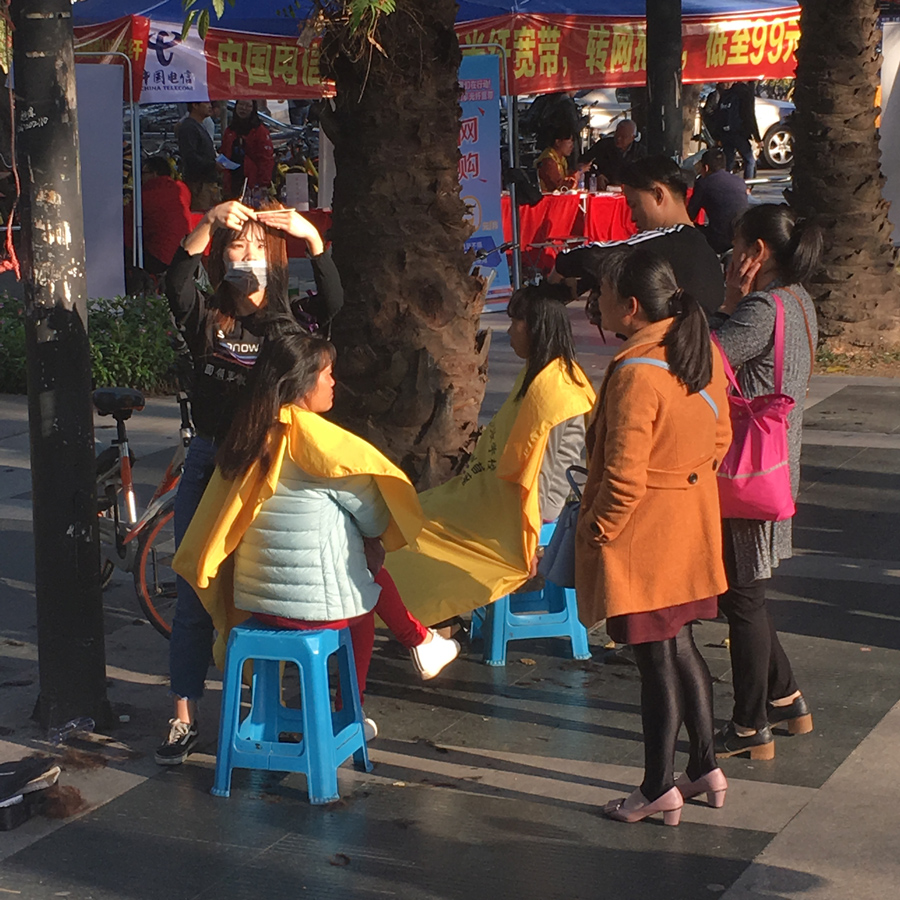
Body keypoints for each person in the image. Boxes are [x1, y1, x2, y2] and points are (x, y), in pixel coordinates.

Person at [172, 331, 461, 740]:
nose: (333, 383)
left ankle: (419, 641)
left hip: (256, 602)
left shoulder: (246, 436)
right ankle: (351, 712)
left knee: (359, 573)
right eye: (327, 374)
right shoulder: (325, 446)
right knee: (362, 595)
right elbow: (376, 519)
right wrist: (369, 540)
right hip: (312, 608)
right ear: (303, 382)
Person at [155, 199, 344, 766]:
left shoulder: (292, 324)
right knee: (193, 586)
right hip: (210, 462)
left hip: (269, 467)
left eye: (260, 248)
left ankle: (266, 710)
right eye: (238, 246)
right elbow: (175, 285)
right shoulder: (210, 317)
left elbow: (335, 303)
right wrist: (208, 223)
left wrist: (312, 237)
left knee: (266, 592)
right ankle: (183, 716)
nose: (248, 256)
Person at [575, 245, 731, 826]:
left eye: (605, 294)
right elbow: (720, 437)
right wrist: (685, 480)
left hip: (644, 537)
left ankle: (657, 786)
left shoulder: (637, 373)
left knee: (654, 660)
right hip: (689, 526)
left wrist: (596, 531)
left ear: (632, 306)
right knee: (680, 643)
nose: (598, 303)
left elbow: (622, 477)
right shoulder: (697, 349)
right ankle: (705, 767)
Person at [386, 283, 596, 627]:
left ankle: (434, 615)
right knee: (413, 514)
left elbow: (558, 472)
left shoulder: (560, 390)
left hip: (523, 512)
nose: (510, 331)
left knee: (426, 531)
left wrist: (531, 536)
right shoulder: (537, 376)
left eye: (517, 322)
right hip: (494, 497)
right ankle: (433, 614)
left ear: (537, 327)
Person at [710, 205, 822, 760]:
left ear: (755, 252)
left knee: (743, 595)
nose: (730, 256)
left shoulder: (759, 309)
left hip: (746, 471)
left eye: (736, 244)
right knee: (744, 589)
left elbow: (703, 363)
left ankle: (750, 725)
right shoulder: (800, 303)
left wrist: (727, 305)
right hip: (778, 466)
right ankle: (786, 698)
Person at [552, 156, 726, 314]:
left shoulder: (667, 239)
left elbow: (593, 256)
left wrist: (561, 264)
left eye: (634, 205)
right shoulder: (697, 244)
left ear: (658, 195)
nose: (633, 218)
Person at [123, 156, 193, 275]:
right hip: (183, 255)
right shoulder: (182, 189)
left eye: (143, 173)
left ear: (154, 174)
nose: (140, 178)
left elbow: (127, 232)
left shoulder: (143, 198)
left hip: (159, 258)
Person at [688, 148, 749, 255]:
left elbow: (690, 214)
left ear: (705, 168)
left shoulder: (703, 184)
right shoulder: (740, 181)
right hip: (742, 236)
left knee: (691, 232)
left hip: (719, 241)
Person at [220, 100, 275, 201]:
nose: (243, 108)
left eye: (248, 106)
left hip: (252, 183)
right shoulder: (230, 130)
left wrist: (263, 184)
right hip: (232, 181)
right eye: (241, 104)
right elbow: (224, 153)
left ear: (253, 109)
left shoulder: (259, 131)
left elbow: (266, 160)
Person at [711, 82, 761, 180]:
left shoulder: (727, 94)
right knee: (749, 160)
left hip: (725, 134)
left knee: (728, 161)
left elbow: (717, 115)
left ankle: (724, 183)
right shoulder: (745, 94)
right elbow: (749, 116)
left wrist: (717, 136)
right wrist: (757, 138)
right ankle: (747, 186)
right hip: (739, 134)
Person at [177, 101, 220, 211]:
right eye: (206, 103)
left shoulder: (201, 125)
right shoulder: (189, 127)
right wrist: (213, 165)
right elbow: (190, 157)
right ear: (195, 106)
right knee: (201, 218)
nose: (210, 106)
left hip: (207, 182)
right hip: (199, 185)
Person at [581, 120, 647, 190]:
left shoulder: (640, 151)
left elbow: (645, 174)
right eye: (617, 135)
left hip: (629, 190)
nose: (618, 139)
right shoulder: (604, 145)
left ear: (632, 138)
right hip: (604, 188)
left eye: (623, 137)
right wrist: (597, 175)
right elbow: (583, 161)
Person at [535, 127, 587, 192]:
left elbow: (566, 177)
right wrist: (578, 173)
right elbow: (560, 187)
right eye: (569, 142)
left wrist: (576, 169)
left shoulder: (562, 159)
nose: (572, 146)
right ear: (558, 142)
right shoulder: (548, 161)